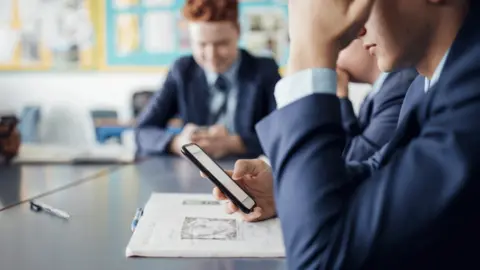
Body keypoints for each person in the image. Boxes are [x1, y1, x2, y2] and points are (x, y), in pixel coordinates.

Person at [208, 0, 480, 269]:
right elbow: (379, 172)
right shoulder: (426, 85)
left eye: (362, 4)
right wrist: (284, 188)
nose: (356, 30)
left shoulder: (471, 94)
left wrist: (310, 47)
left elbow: (321, 261)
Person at [135, 0, 280, 159]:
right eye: (202, 44)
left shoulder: (264, 70)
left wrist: (233, 143)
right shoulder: (182, 70)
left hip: (249, 174)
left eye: (221, 43)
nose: (212, 56)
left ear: (238, 31)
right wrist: (179, 143)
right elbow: (143, 131)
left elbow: (282, 134)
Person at [336, 39, 417, 162]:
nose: (333, 61)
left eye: (338, 46)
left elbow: (353, 159)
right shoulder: (374, 95)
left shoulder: (400, 87)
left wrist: (340, 97)